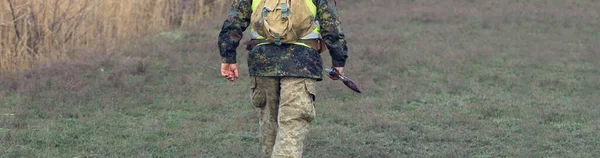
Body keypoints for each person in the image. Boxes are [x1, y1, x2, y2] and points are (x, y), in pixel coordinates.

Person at [217, 0, 348, 157]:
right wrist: (338, 60)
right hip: (302, 64)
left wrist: (228, 58)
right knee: (292, 125)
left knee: (269, 125)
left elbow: (233, 23)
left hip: (263, 63)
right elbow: (331, 26)